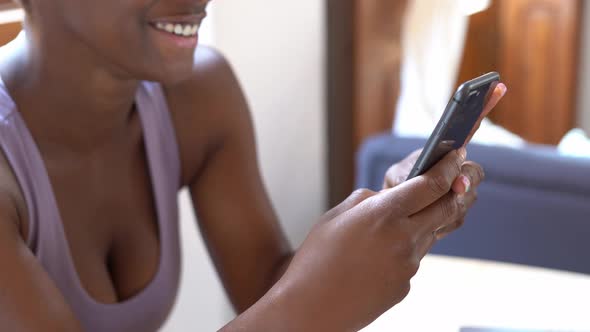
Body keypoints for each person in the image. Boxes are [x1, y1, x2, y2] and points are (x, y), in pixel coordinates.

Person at [0, 0, 506, 331]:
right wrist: (310, 303)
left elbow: (265, 286)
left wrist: (386, 221)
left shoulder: (198, 96)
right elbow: (291, 308)